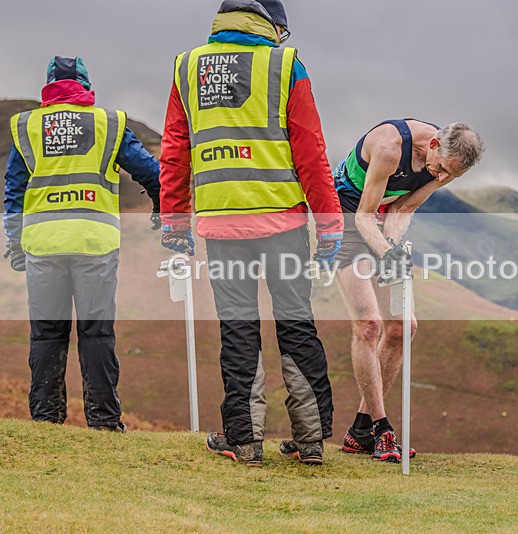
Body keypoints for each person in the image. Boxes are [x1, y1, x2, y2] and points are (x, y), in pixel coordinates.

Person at [159, 0, 344, 467]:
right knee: (297, 323)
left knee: (238, 328)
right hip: (283, 222)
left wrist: (175, 221)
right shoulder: (285, 65)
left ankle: (244, 442)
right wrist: (329, 225)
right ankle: (311, 441)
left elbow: (175, 151)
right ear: (271, 25)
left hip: (222, 226)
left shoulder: (187, 67)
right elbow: (311, 150)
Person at [3, 56, 161, 431]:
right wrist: (160, 207)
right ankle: (104, 421)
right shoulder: (108, 123)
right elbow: (152, 172)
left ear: (48, 87)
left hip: (43, 244)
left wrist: (15, 242)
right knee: (97, 332)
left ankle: (46, 420)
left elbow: (14, 190)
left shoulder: (28, 127)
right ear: (87, 87)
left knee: (47, 334)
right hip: (95, 243)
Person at [333, 119, 484, 462]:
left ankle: (360, 431)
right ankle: (382, 427)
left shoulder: (448, 161)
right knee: (369, 325)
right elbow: (363, 216)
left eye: (452, 175)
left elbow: (404, 207)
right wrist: (387, 254)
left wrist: (391, 247)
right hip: (346, 217)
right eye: (441, 170)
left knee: (403, 327)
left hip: (382, 223)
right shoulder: (389, 148)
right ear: (433, 145)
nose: (441, 178)